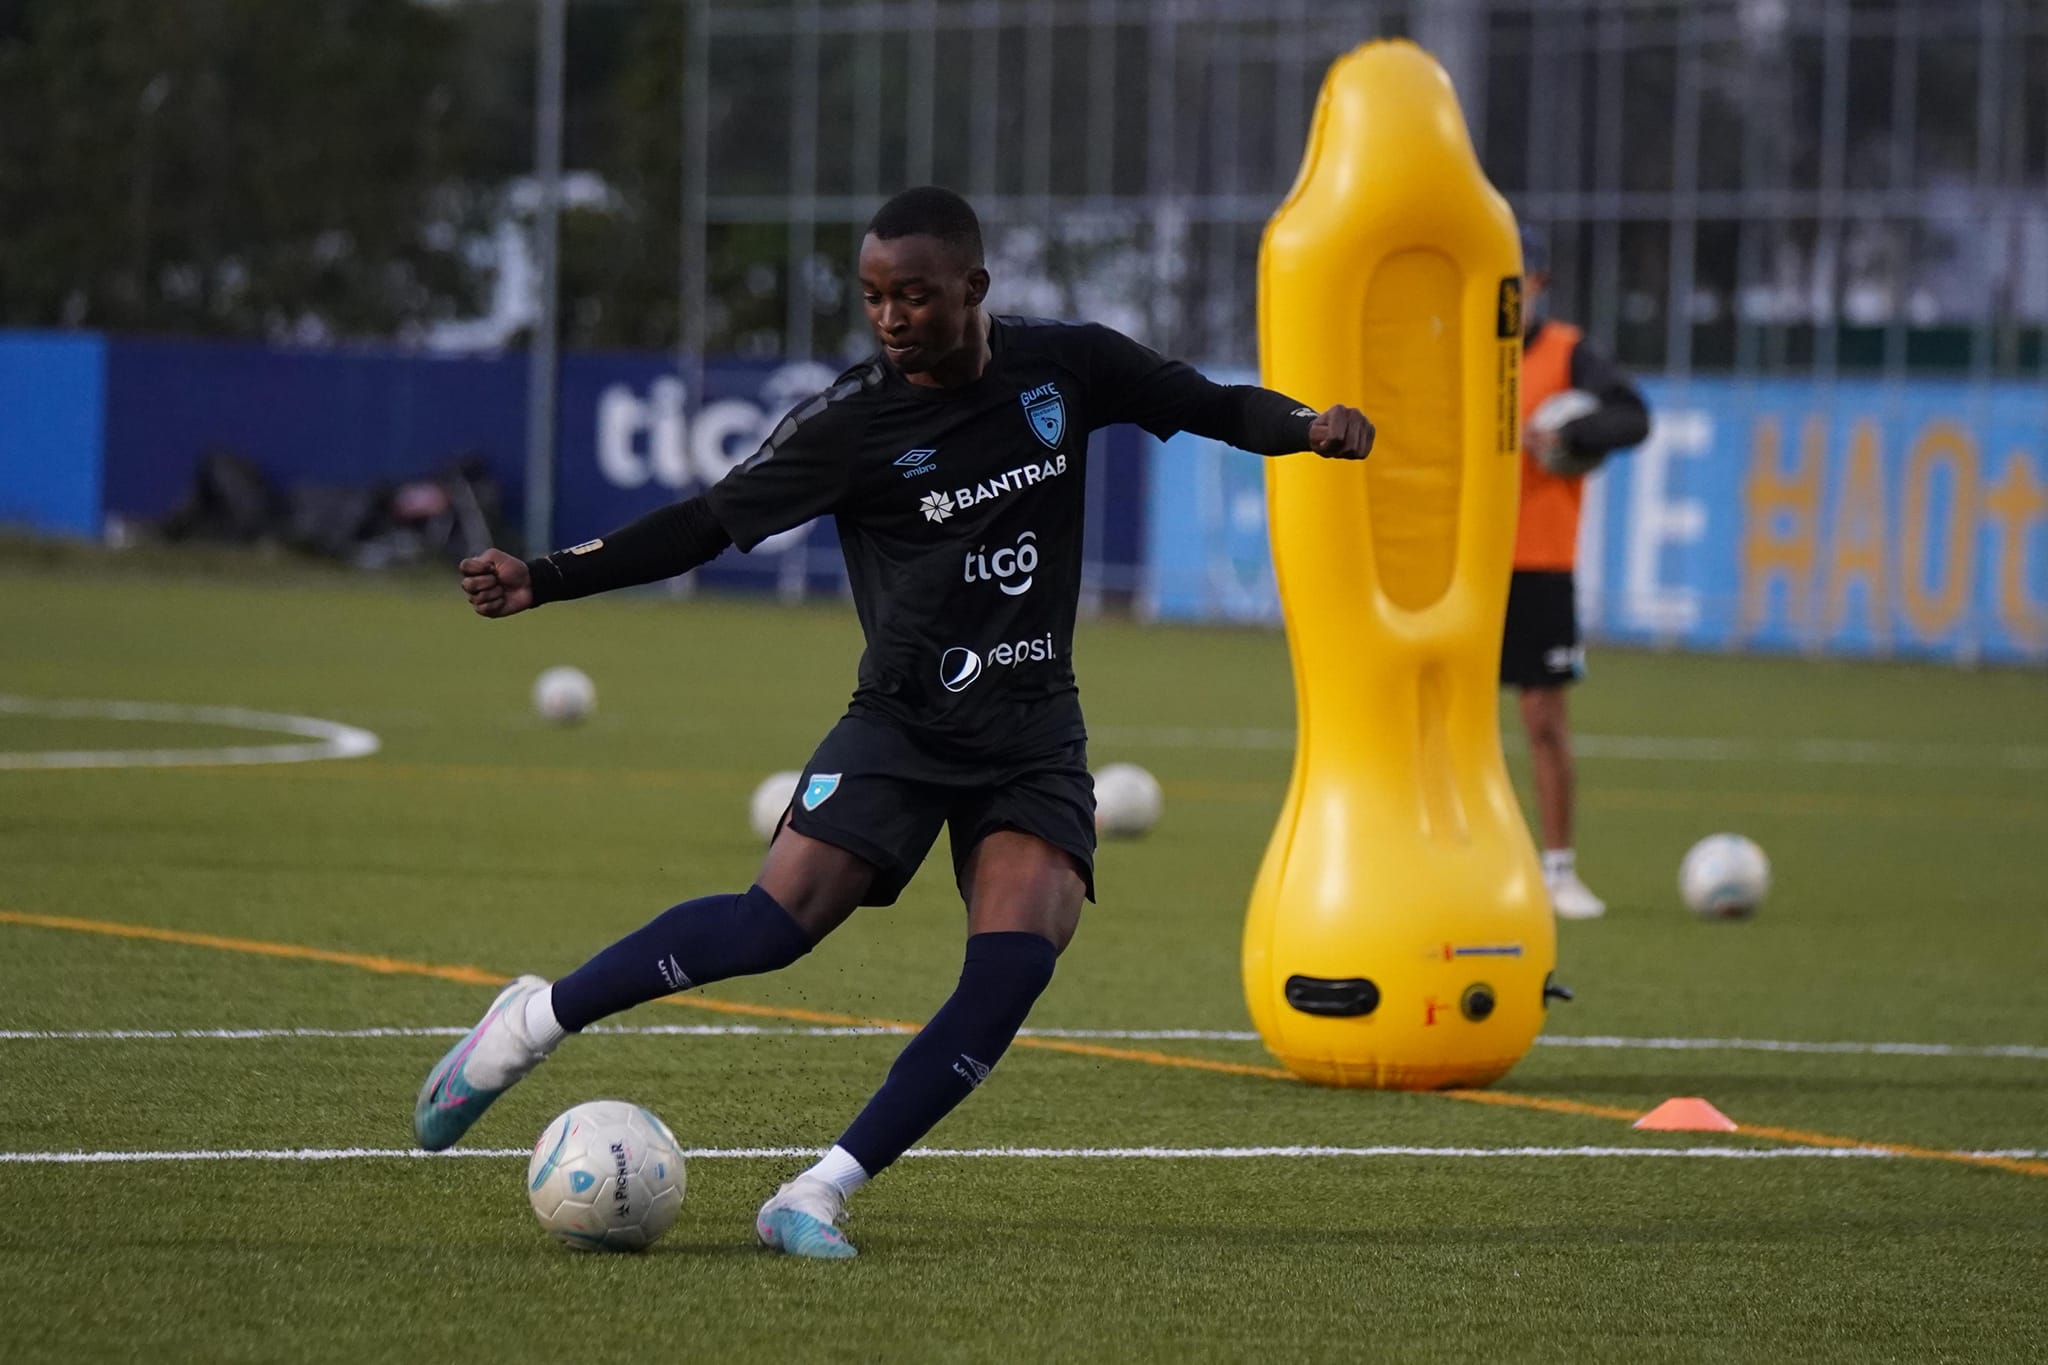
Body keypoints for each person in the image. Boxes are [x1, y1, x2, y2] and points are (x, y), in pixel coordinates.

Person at [414, 186, 1376, 1258]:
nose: (889, 318)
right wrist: (544, 577)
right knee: (768, 931)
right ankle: (531, 1023)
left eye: (912, 296)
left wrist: (1305, 428)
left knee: (1014, 962)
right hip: (903, 726)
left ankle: (815, 1193)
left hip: (1031, 730)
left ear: (972, 289)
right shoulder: (851, 423)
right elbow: (704, 523)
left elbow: (1207, 404)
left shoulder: (1067, 366)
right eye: (873, 297)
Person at [1508, 224, 1651, 920]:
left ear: (1539, 282)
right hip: (1459, 562)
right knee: (1446, 724)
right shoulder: (1456, 352)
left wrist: (1569, 434)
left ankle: (1558, 870)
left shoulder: (1568, 354)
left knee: (1543, 716)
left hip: (1539, 560)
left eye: (1522, 278)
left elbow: (1632, 417)